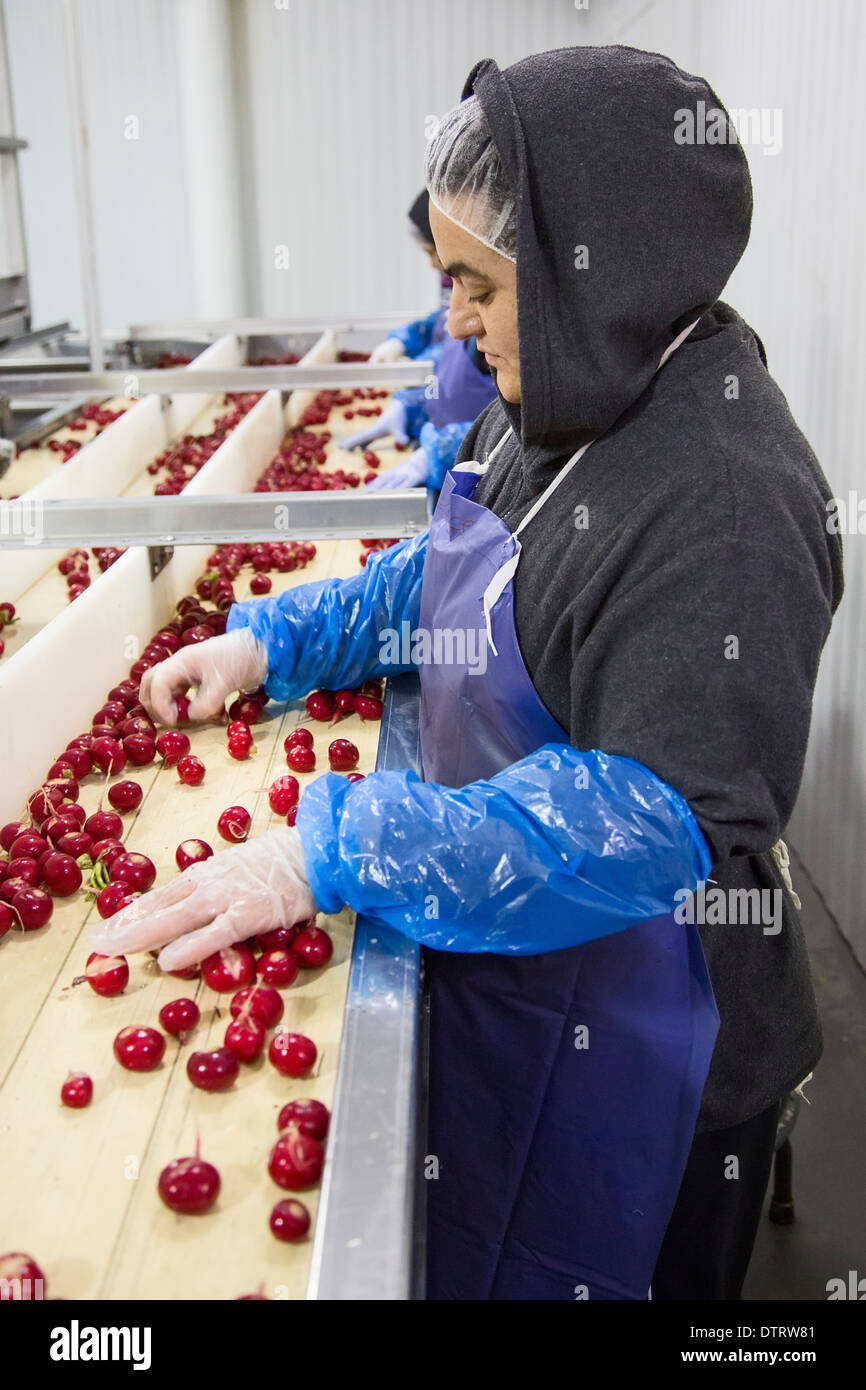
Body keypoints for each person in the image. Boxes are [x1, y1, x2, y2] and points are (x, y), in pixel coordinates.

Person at [90, 45, 843, 1301]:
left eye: (473, 283)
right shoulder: (557, 384)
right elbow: (452, 575)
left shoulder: (722, 501)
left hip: (661, 1059)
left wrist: (330, 850)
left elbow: (645, 822)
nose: (448, 320)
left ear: (584, 270)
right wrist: (274, 640)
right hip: (523, 972)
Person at [345, 190, 497, 494]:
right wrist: (414, 405)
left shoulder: (500, 328)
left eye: (432, 252)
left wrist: (439, 452)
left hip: (475, 476)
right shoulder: (462, 305)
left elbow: (512, 429)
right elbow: (446, 355)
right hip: (454, 464)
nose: (458, 321)